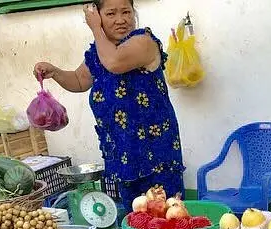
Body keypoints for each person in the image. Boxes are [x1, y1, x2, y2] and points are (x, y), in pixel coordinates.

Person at [34, 0, 185, 208]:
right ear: (99, 15)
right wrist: (56, 72)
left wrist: (96, 28)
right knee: (134, 213)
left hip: (154, 150)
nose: (121, 20)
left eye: (126, 12)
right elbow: (79, 81)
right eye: (111, 14)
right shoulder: (100, 52)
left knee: (165, 211)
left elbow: (115, 63)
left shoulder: (143, 41)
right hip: (122, 151)